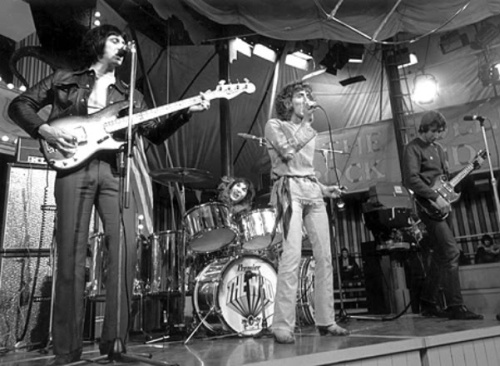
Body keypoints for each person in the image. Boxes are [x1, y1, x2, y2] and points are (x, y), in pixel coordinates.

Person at [8, 24, 209, 365]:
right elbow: (20, 105)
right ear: (99, 44)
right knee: (71, 256)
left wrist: (187, 111)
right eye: (116, 40)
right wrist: (45, 131)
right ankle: (67, 351)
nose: (122, 46)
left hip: (116, 170)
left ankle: (115, 344)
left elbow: (154, 134)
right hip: (74, 169)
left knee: (126, 250)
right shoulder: (64, 77)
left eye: (124, 42)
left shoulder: (129, 95)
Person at [264, 81, 349, 344]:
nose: (306, 99)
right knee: (291, 256)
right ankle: (281, 324)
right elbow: (288, 154)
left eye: (308, 96)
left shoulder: (308, 130)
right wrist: (306, 124)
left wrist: (325, 189)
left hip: (311, 191)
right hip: (289, 191)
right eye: (300, 96)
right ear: (288, 102)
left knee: (324, 257)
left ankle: (326, 319)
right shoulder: (275, 126)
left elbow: (305, 170)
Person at [402, 110, 482, 320]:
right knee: (451, 251)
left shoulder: (439, 149)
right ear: (425, 128)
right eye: (434, 131)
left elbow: (445, 181)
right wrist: (435, 198)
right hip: (426, 206)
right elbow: (411, 179)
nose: (437, 135)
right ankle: (455, 305)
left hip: (444, 206)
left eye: (439, 132)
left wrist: (471, 167)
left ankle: (428, 302)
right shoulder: (412, 148)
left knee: (440, 255)